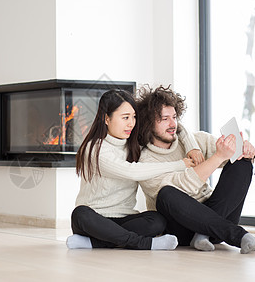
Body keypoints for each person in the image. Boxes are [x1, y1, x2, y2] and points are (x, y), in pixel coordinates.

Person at [67, 89, 202, 250]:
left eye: (134, 117)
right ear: (107, 119)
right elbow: (131, 171)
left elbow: (177, 127)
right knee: (81, 214)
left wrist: (192, 147)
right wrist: (180, 164)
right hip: (95, 219)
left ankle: (94, 243)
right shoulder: (95, 148)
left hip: (125, 218)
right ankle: (146, 243)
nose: (131, 123)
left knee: (158, 220)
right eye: (125, 118)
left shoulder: (134, 143)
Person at [136, 84, 255, 254]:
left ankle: (203, 234)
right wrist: (218, 157)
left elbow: (231, 156)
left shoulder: (196, 140)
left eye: (174, 117)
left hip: (217, 216)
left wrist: (246, 150)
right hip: (183, 229)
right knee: (166, 194)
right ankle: (236, 235)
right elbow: (183, 186)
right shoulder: (145, 162)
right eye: (165, 119)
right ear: (148, 124)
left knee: (242, 162)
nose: (173, 124)